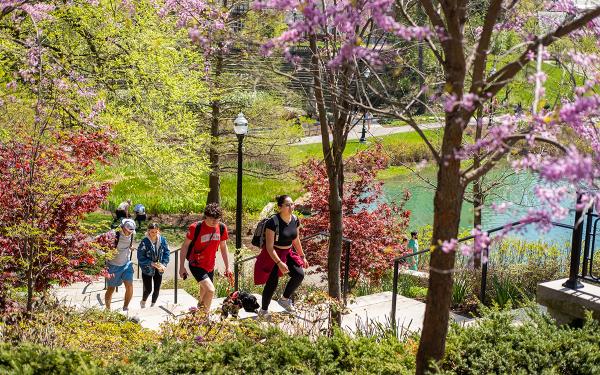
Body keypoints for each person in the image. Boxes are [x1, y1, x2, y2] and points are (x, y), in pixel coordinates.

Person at [254, 195, 308, 317]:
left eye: (292, 204)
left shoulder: (295, 219)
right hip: (272, 255)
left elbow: (296, 239)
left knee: (299, 275)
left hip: (287, 253)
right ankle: (264, 310)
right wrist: (279, 263)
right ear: (280, 207)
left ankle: (284, 299)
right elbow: (269, 247)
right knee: (272, 283)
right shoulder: (272, 222)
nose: (291, 207)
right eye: (287, 205)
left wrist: (302, 256)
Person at [179, 203, 231, 314]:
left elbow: (223, 246)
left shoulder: (221, 228)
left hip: (210, 265)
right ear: (206, 216)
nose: (215, 222)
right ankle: (204, 318)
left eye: (217, 219)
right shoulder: (195, 228)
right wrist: (181, 266)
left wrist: (228, 266)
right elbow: (184, 246)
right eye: (212, 219)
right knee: (211, 290)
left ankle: (198, 310)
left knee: (204, 294)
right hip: (196, 264)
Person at [104, 219, 136, 311]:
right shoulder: (113, 234)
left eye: (131, 231)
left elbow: (129, 243)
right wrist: (105, 254)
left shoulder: (133, 233)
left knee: (129, 285)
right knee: (111, 288)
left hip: (126, 264)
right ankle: (107, 309)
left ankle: (125, 307)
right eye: (128, 231)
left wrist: (131, 247)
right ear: (122, 228)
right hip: (113, 265)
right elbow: (96, 242)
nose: (129, 233)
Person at [137, 223, 170, 308]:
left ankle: (152, 305)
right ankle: (143, 301)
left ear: (158, 231)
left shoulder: (163, 240)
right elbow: (140, 257)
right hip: (147, 268)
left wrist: (164, 264)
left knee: (157, 289)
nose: (154, 234)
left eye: (156, 232)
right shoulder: (144, 242)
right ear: (148, 231)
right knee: (148, 289)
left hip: (159, 268)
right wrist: (151, 263)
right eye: (152, 232)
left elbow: (167, 252)